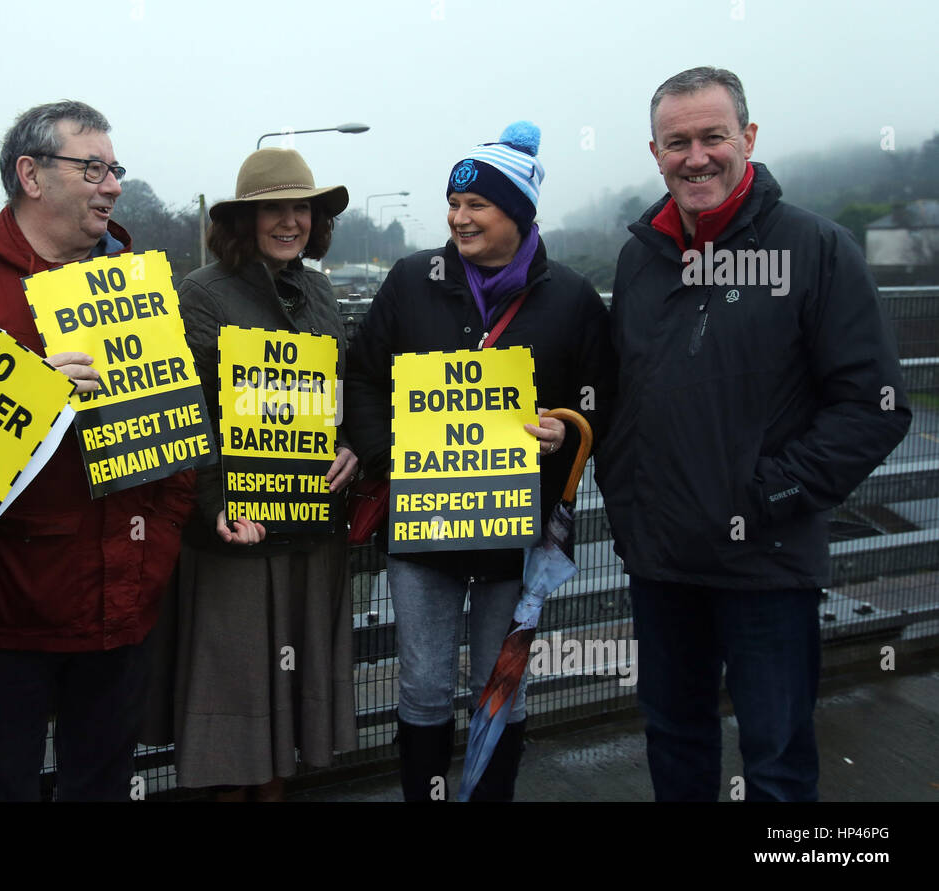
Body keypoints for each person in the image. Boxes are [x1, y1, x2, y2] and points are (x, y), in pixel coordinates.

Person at [595, 67, 912, 802]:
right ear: (654, 151)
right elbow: (621, 392)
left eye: (714, 136)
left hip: (765, 562)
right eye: (678, 142)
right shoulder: (641, 256)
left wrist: (763, 492)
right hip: (662, 561)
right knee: (674, 741)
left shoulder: (816, 249)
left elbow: (876, 405)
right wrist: (628, 495)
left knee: (776, 762)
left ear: (750, 138)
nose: (696, 156)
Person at [0, 100, 193, 802]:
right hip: (5, 621)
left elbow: (179, 450)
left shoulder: (140, 290)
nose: (112, 185)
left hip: (123, 606)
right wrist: (26, 403)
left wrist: (158, 544)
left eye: (116, 170)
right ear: (31, 175)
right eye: (93, 168)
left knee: (103, 787)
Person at [346, 122, 614, 801]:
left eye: (477, 207)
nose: (458, 218)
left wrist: (568, 425)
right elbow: (364, 378)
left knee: (501, 687)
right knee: (424, 684)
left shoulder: (573, 296)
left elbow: (602, 397)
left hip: (516, 533)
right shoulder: (412, 280)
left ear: (518, 214)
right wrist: (391, 456)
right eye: (453, 203)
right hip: (424, 528)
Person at [144, 148, 358, 801]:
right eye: (276, 209)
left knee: (285, 715)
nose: (291, 221)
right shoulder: (200, 294)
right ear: (245, 220)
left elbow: (336, 394)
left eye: (302, 208)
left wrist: (350, 445)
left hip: (310, 529)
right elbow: (189, 412)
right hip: (236, 531)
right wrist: (214, 503)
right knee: (233, 706)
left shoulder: (320, 291)